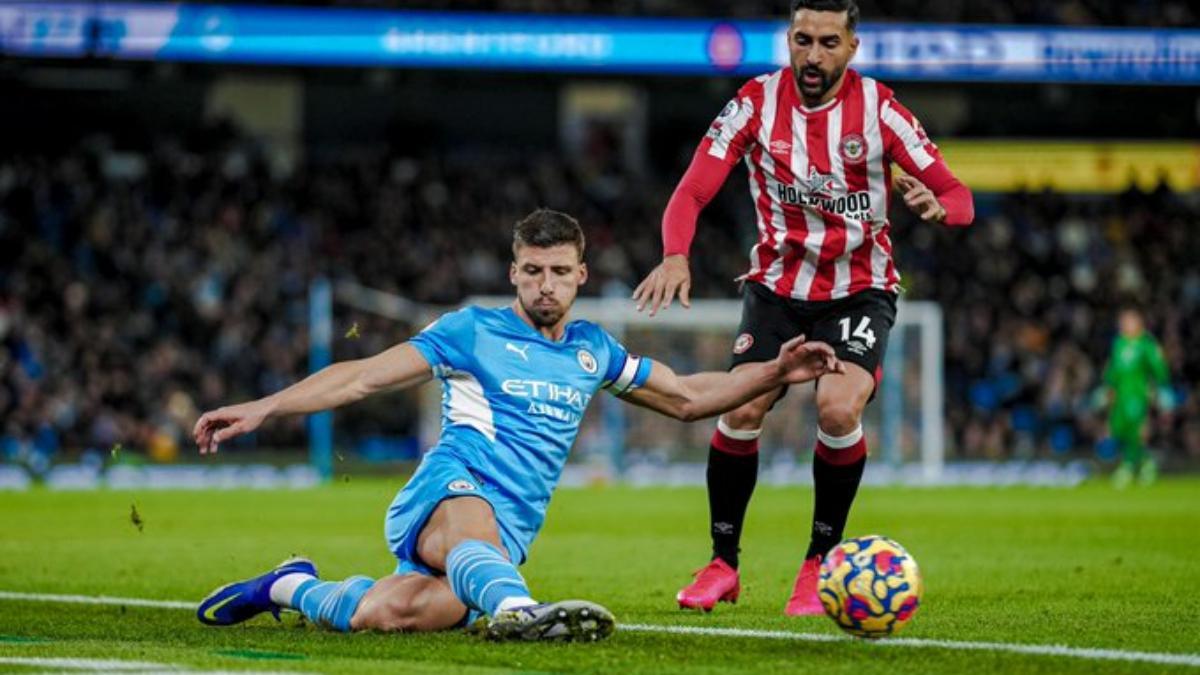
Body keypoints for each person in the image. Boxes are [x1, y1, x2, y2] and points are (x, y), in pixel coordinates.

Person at [194, 208, 844, 642]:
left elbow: (688, 396)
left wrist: (776, 370)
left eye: (560, 272)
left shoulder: (593, 350)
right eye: (532, 271)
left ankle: (287, 582)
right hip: (448, 492)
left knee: (389, 612)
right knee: (475, 535)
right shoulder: (470, 329)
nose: (545, 285)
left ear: (580, 276)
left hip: (507, 526)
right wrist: (265, 406)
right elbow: (363, 374)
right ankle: (517, 611)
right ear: (513, 273)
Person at [631, 0, 974, 615]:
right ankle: (722, 563)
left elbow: (959, 195)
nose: (812, 55)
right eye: (802, 39)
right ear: (788, 39)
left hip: (860, 289)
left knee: (838, 409)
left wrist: (936, 204)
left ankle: (819, 565)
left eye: (827, 42)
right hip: (776, 290)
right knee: (743, 400)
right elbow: (692, 188)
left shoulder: (881, 111)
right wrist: (675, 254)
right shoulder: (754, 102)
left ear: (852, 47)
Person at [1102, 308, 1171, 488]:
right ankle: (1146, 462)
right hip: (1121, 395)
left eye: (1129, 321)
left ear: (1138, 324)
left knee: (1135, 430)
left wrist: (1159, 387)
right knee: (1118, 429)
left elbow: (1159, 369)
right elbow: (1114, 369)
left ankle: (1129, 466)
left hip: (1137, 394)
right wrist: (1109, 386)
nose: (1124, 325)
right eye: (1123, 322)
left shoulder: (1146, 344)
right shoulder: (1119, 343)